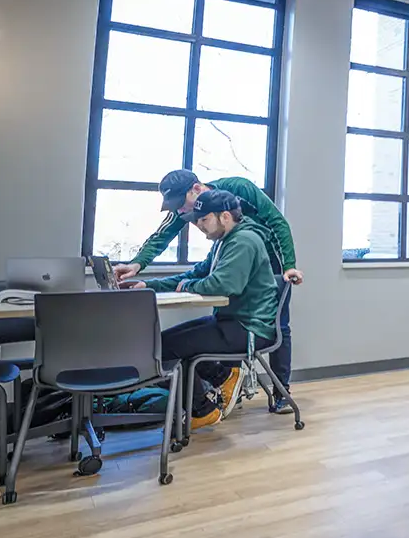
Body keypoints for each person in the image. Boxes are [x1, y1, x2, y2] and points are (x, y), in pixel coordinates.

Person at [114, 170, 300, 414]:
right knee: (220, 319)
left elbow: (277, 223)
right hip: (231, 264)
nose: (186, 217)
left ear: (196, 190)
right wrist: (139, 268)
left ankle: (280, 392)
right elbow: (166, 239)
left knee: (275, 325)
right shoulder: (218, 237)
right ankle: (226, 384)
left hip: (267, 264)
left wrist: (288, 265)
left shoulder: (239, 197)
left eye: (200, 219)